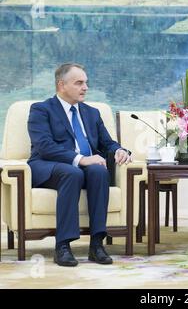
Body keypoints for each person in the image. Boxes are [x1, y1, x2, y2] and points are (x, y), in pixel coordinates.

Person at [27, 63, 132, 267]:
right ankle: (63, 246)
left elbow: (107, 143)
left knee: (100, 171)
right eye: (79, 83)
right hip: (48, 165)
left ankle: (96, 244)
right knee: (72, 173)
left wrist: (120, 150)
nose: (85, 87)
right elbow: (45, 146)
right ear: (61, 85)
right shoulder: (41, 109)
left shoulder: (92, 113)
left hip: (83, 167)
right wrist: (81, 159)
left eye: (86, 83)